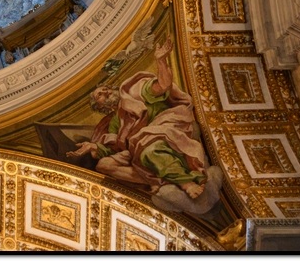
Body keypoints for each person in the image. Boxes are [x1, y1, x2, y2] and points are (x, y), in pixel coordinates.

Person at [68, 39, 209, 199]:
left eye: (106, 88)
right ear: (100, 107)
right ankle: (156, 179)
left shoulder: (132, 93)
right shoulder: (113, 122)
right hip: (137, 148)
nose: (106, 92)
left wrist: (161, 60)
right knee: (104, 165)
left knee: (149, 150)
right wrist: (93, 146)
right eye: (100, 94)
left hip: (163, 131)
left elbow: (163, 85)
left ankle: (186, 182)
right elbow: (115, 148)